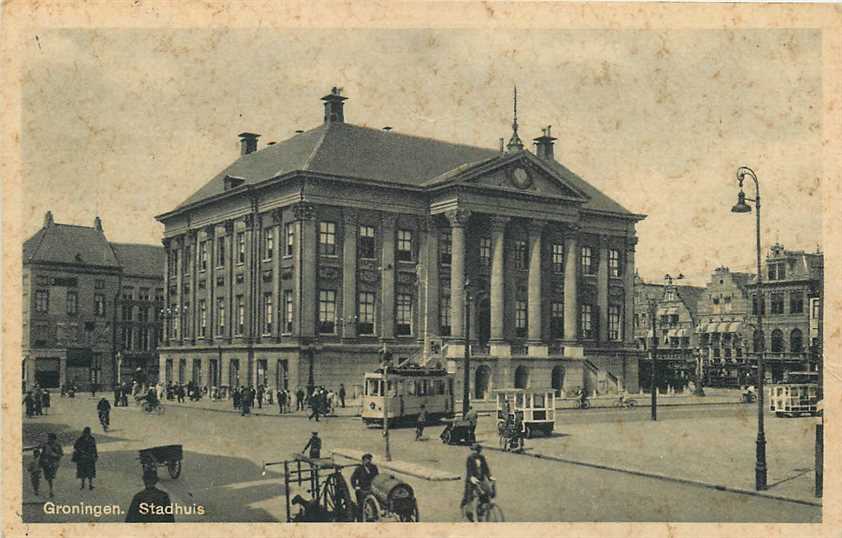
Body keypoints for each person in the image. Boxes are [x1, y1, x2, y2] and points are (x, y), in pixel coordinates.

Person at [461, 443, 494, 521]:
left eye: (477, 450)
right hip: (472, 480)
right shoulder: (470, 458)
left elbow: (486, 469)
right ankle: (467, 509)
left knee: (486, 492)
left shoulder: (482, 458)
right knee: (469, 496)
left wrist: (490, 476)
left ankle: (481, 510)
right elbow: (469, 470)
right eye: (474, 450)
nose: (476, 452)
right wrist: (472, 478)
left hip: (481, 479)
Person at [350, 453, 379, 518]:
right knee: (361, 504)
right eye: (366, 460)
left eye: (369, 460)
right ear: (363, 461)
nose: (368, 461)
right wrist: (356, 487)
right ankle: (360, 516)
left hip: (372, 488)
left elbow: (377, 478)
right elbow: (353, 479)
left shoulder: (374, 467)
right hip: (362, 489)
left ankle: (374, 514)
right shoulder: (359, 469)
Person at [38, 432, 64, 498]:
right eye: (49, 438)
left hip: (53, 463)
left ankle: (51, 490)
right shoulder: (45, 445)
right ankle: (51, 490)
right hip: (46, 463)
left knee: (51, 477)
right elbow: (42, 453)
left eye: (50, 438)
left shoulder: (57, 445)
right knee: (48, 477)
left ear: (54, 439)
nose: (49, 439)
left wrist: (54, 455)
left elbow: (61, 454)